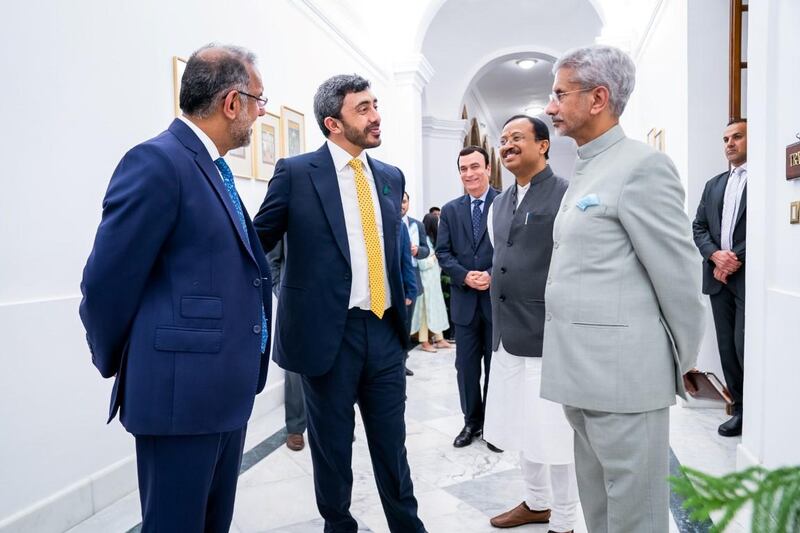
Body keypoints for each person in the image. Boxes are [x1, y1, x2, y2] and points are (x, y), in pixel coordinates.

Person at [79, 44, 271, 532]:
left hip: (223, 397)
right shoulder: (158, 162)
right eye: (259, 101)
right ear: (232, 103)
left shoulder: (210, 168)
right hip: (179, 402)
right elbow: (105, 285)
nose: (260, 113)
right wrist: (122, 362)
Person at [540, 45, 706, 533]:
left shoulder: (641, 166)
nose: (551, 107)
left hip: (627, 378)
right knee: (600, 509)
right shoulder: (587, 168)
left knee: (637, 515)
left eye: (559, 94)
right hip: (581, 374)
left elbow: (678, 276)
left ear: (598, 98)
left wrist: (682, 362)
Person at [253, 74, 425, 533]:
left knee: (393, 445)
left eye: (375, 105)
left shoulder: (389, 176)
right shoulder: (296, 173)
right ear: (333, 123)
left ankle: (408, 526)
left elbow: (388, 247)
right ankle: (338, 526)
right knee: (332, 448)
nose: (376, 116)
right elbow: (256, 242)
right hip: (327, 337)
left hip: (384, 331)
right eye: (363, 109)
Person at [483, 115, 577, 533]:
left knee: (553, 432)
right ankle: (536, 502)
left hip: (547, 334)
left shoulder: (565, 195)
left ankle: (565, 518)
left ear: (543, 145)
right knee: (521, 425)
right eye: (503, 140)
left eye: (516, 138)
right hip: (506, 332)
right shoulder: (499, 201)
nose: (507, 145)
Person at [436, 145, 499, 450]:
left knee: (497, 368)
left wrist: (490, 273)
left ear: (488, 168)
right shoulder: (450, 210)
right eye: (464, 169)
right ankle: (471, 421)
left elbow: (514, 249)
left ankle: (496, 425)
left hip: (497, 303)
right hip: (464, 304)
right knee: (467, 368)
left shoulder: (505, 203)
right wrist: (464, 276)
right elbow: (443, 253)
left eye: (475, 167)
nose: (470, 174)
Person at [692, 119, 748, 437]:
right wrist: (715, 255)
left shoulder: (763, 179)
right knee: (727, 348)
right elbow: (698, 226)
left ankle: (755, 410)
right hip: (718, 278)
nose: (730, 143)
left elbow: (762, 225)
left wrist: (731, 258)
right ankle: (738, 410)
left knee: (744, 347)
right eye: (726, 138)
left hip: (746, 277)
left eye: (737, 137)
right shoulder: (714, 184)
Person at [267, 239, 308, 451]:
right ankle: (295, 427)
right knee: (294, 371)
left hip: (328, 301)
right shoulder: (288, 208)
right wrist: (281, 291)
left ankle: (332, 420)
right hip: (294, 303)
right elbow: (271, 259)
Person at [410, 213, 452, 353]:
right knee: (424, 314)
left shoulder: (433, 240)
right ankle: (424, 341)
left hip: (432, 283)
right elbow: (422, 264)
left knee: (435, 311)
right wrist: (434, 257)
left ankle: (439, 339)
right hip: (424, 283)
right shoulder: (425, 241)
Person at [401, 191, 430, 375]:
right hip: (394, 281)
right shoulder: (387, 223)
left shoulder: (417, 225)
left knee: (407, 324)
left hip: (412, 278)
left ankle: (402, 362)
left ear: (409, 203)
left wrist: (416, 250)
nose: (401, 205)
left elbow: (426, 250)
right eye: (399, 201)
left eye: (404, 201)